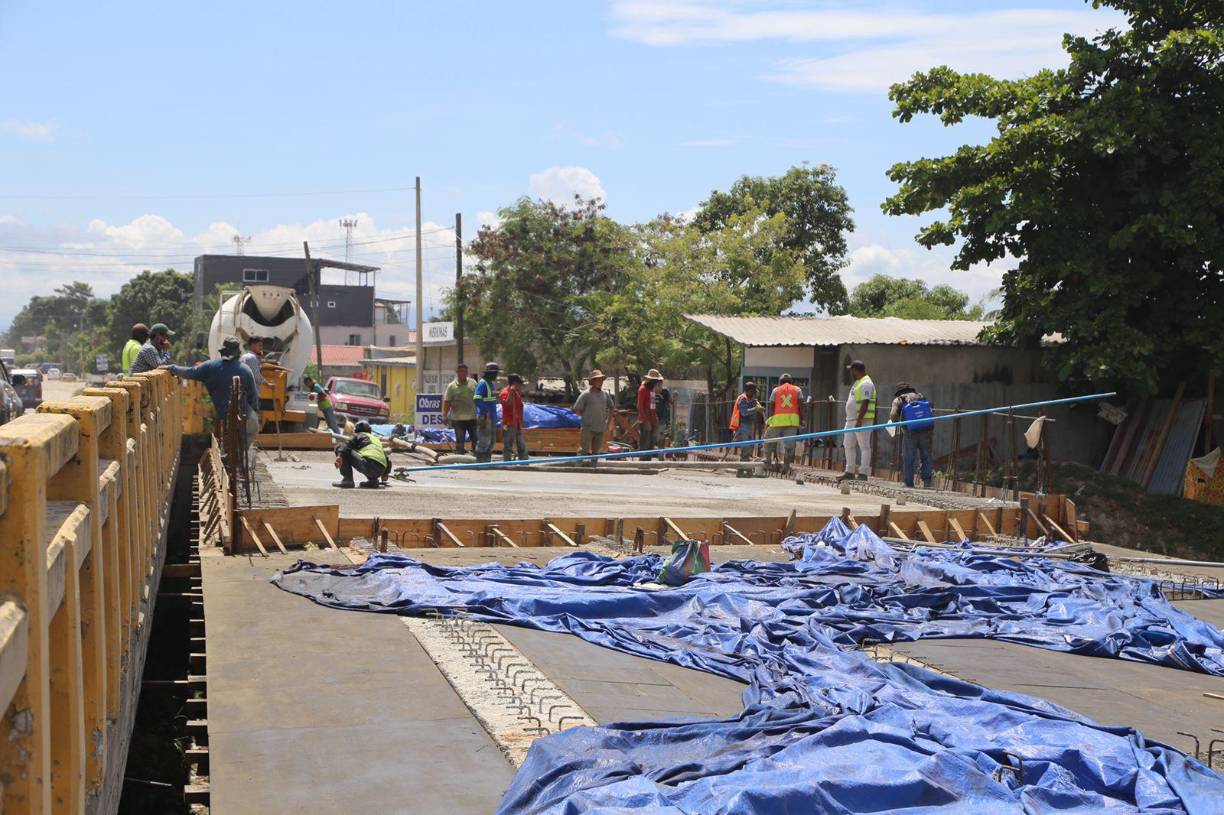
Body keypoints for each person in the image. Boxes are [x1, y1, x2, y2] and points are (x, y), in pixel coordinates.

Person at [164, 336, 258, 431]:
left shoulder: (210, 366)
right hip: (245, 419)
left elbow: (189, 372)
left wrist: (172, 368)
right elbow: (253, 397)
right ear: (237, 354)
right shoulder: (246, 370)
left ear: (222, 352)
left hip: (223, 416)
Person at [890, 382, 935, 488]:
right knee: (926, 456)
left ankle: (909, 483)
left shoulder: (899, 400)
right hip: (925, 430)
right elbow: (930, 410)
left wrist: (898, 421)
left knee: (909, 458)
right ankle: (927, 481)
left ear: (899, 392)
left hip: (909, 432)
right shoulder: (920, 396)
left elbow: (893, 415)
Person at [838, 360, 876, 482]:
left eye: (852, 370)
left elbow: (865, 403)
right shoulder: (858, 382)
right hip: (851, 420)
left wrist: (859, 420)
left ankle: (863, 473)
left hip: (861, 420)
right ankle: (849, 471)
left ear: (855, 370)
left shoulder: (866, 383)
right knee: (848, 445)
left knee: (864, 446)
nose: (851, 372)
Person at [573, 369, 615, 464]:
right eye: (598, 380)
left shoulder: (605, 394)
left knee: (596, 451)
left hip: (600, 427)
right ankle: (578, 466)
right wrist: (586, 417)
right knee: (584, 449)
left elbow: (612, 408)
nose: (600, 383)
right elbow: (577, 409)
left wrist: (608, 423)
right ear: (593, 382)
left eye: (601, 380)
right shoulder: (586, 394)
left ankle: (593, 468)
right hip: (588, 428)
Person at [333, 420, 389, 489]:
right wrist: (386, 473)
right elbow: (385, 457)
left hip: (368, 465)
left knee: (339, 446)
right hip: (381, 469)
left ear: (356, 430)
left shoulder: (358, 435)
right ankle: (373, 481)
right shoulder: (376, 440)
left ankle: (347, 480)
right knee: (368, 457)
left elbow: (345, 446)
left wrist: (339, 456)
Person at [764, 373, 803, 471]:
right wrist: (803, 419)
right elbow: (802, 406)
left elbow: (771, 405)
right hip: (792, 422)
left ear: (780, 382)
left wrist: (770, 418)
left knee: (768, 438)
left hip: (777, 421)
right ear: (792, 382)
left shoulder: (776, 390)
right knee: (789, 445)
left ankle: (767, 460)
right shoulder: (797, 390)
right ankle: (786, 466)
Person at [442, 363, 478, 455]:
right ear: (457, 373)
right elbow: (447, 402)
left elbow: (478, 398)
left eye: (465, 372)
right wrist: (445, 415)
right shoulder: (452, 386)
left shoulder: (473, 383)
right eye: (461, 371)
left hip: (472, 417)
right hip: (458, 419)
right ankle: (460, 457)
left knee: (476, 439)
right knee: (460, 440)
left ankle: (477, 458)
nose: (464, 374)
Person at [729, 381, 763, 474]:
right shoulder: (743, 399)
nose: (754, 394)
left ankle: (746, 469)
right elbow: (744, 412)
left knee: (748, 449)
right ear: (749, 390)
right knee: (745, 449)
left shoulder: (748, 398)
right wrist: (755, 409)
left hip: (748, 426)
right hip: (742, 426)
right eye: (753, 391)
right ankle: (741, 471)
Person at [473, 362, 501, 462]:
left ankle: (486, 461)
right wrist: (486, 411)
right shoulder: (482, 383)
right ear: (490, 373)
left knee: (491, 441)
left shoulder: (490, 384)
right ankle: (480, 462)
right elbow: (476, 399)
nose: (496, 376)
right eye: (495, 373)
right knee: (484, 441)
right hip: (485, 417)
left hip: (491, 418)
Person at [499, 373, 528, 461]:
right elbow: (507, 405)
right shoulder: (505, 392)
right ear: (514, 383)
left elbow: (520, 407)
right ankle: (507, 463)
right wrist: (511, 393)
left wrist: (521, 420)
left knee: (521, 445)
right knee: (508, 445)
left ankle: (524, 463)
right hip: (508, 424)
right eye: (519, 383)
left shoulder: (517, 393)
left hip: (517, 424)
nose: (520, 386)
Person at [636, 369, 663, 460]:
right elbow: (639, 406)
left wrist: (655, 419)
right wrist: (646, 421)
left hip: (652, 421)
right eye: (655, 381)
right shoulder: (642, 389)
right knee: (645, 445)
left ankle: (648, 462)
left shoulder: (651, 390)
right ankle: (643, 464)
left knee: (651, 444)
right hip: (645, 422)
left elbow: (652, 406)